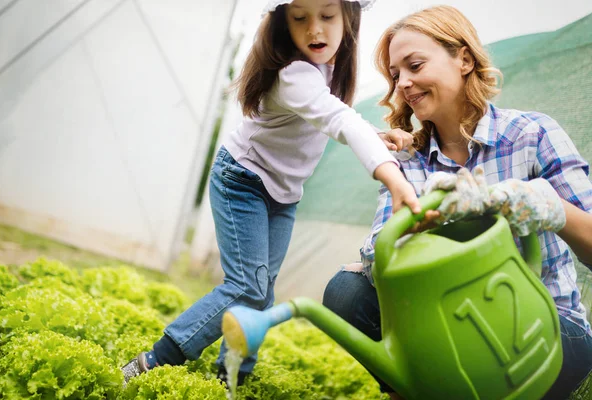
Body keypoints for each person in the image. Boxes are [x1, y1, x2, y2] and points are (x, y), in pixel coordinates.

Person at [121, 0, 421, 387]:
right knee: (247, 287)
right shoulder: (294, 73)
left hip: (282, 195)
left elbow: (321, 123)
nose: (315, 29)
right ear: (283, 24)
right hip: (242, 182)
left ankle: (229, 381)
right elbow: (338, 120)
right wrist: (394, 177)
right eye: (300, 18)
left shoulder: (327, 70)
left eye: (327, 16)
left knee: (260, 295)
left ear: (349, 18)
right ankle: (151, 363)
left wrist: (378, 138)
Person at [322, 5, 592, 399]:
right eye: (396, 76)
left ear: (464, 59)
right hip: (452, 321)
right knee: (348, 291)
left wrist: (544, 203)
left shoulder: (532, 133)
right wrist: (375, 256)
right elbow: (384, 256)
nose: (404, 85)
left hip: (543, 322)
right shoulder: (407, 161)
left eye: (415, 65)